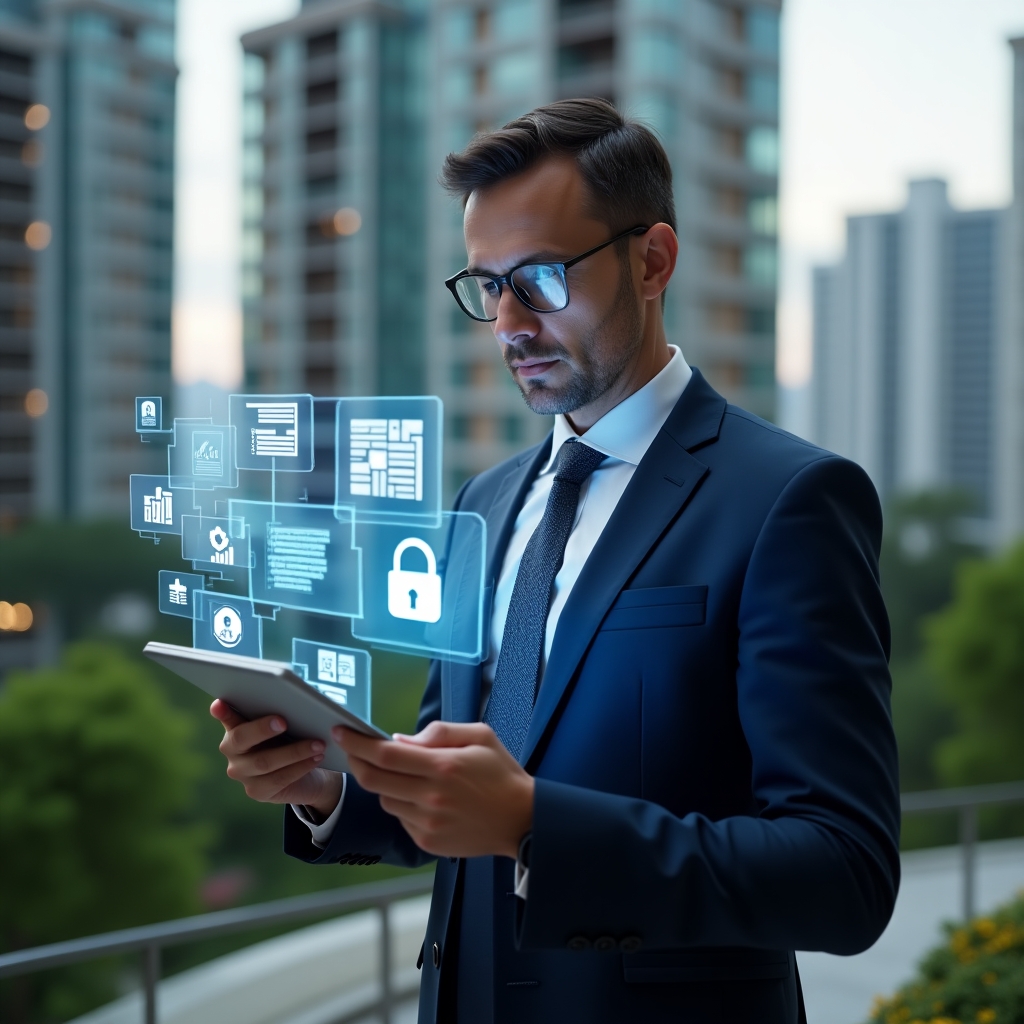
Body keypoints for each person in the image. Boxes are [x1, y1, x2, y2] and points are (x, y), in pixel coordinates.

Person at [212, 98, 900, 1024]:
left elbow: (844, 874)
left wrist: (536, 825)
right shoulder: (485, 502)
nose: (508, 324)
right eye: (487, 286)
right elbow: (459, 786)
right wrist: (331, 790)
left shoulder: (788, 499)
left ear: (652, 261)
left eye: (539, 279)